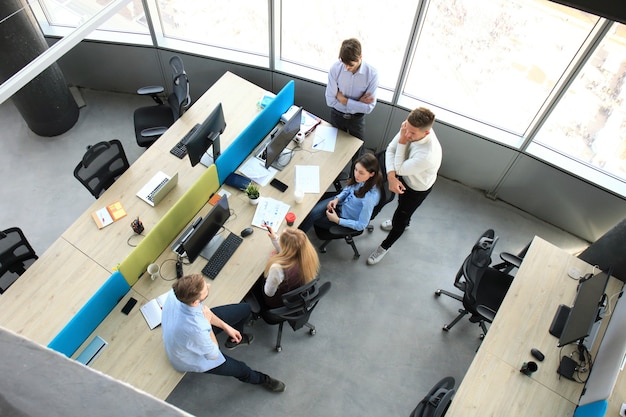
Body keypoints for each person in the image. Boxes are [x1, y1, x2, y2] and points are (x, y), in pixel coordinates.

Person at [161, 274, 286, 392]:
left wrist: (227, 328)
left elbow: (205, 313)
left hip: (192, 329)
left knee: (245, 309)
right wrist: (208, 324)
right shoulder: (197, 328)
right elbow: (214, 354)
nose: (209, 286)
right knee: (241, 369)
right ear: (195, 302)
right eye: (205, 290)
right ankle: (262, 379)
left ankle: (236, 339)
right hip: (189, 354)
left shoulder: (177, 293)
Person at [367, 107, 442, 266]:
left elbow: (399, 165)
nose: (407, 135)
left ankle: (385, 246)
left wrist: (401, 142)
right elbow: (390, 150)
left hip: (416, 188)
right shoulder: (409, 127)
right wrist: (392, 177)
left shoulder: (427, 155)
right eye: (406, 129)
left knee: (400, 217)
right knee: (400, 204)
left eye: (412, 133)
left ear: (426, 133)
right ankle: (403, 222)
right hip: (405, 175)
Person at [298, 152, 382, 237]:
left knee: (310, 218)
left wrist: (337, 220)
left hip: (343, 218)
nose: (356, 174)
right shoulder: (362, 179)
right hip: (340, 204)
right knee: (311, 213)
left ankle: (294, 240)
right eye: (355, 169)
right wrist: (337, 199)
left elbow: (361, 225)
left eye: (361, 172)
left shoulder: (369, 199)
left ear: (372, 174)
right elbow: (348, 189)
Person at [253, 226, 320, 312]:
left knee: (254, 282)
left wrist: (274, 260)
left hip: (279, 303)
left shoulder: (278, 268)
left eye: (280, 238)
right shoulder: (308, 255)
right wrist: (275, 238)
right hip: (298, 295)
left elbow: (269, 293)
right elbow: (291, 249)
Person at [325, 38, 378, 141]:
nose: (347, 68)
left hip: (357, 119)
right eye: (345, 64)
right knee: (334, 148)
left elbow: (368, 108)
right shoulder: (335, 69)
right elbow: (330, 101)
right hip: (337, 116)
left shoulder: (372, 74)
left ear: (360, 57)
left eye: (351, 65)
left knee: (358, 152)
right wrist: (358, 102)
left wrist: (344, 100)